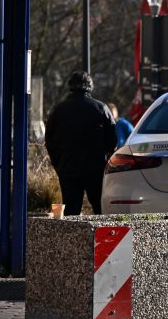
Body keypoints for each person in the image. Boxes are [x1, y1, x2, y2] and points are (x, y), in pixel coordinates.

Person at [43, 70, 116, 215]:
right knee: (99, 208)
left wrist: (58, 163)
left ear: (70, 86)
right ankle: (99, 236)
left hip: (68, 168)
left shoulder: (59, 110)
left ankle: (72, 237)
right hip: (95, 168)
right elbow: (112, 140)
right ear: (90, 87)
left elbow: (49, 140)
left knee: (71, 209)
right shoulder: (101, 108)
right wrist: (104, 158)